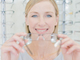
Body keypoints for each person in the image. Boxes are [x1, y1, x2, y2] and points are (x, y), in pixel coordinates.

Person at [1, 0, 80, 60]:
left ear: (56, 19)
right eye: (34, 15)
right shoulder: (14, 55)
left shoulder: (71, 55)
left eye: (48, 15)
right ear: (26, 19)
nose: (41, 23)